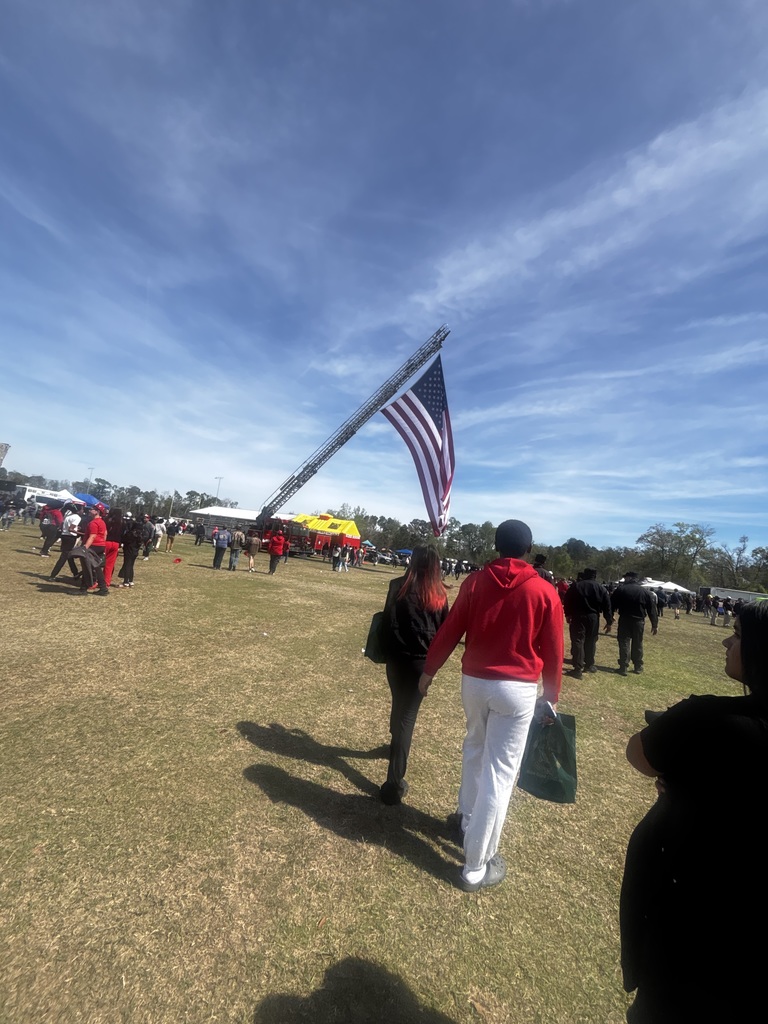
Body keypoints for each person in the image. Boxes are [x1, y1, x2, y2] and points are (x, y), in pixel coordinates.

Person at [620, 601, 768, 1023]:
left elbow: (638, 754)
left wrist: (685, 778)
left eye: (737, 634)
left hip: (692, 927)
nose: (726, 639)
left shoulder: (707, 718)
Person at [419, 519, 563, 892]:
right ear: (528, 549)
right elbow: (553, 649)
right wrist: (552, 696)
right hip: (517, 688)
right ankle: (476, 865)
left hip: (475, 682)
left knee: (474, 748)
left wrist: (429, 670)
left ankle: (466, 819)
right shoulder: (544, 590)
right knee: (499, 773)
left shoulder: (475, 581)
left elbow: (451, 628)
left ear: (496, 547)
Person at [378, 546, 449, 806]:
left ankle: (395, 748)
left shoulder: (398, 585)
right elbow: (444, 630)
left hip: (396, 659)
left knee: (400, 709)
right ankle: (393, 785)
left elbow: (387, 623)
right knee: (406, 717)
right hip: (420, 662)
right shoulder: (439, 593)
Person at [562, 568, 613, 677]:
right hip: (593, 616)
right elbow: (607, 606)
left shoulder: (576, 586)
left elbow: (567, 600)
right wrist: (609, 621)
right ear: (595, 576)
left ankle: (577, 667)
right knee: (591, 640)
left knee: (578, 640)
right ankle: (589, 664)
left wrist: (568, 614)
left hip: (578, 616)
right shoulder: (601, 588)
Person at [607, 572, 658, 676]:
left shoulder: (621, 590)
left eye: (625, 578)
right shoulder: (644, 592)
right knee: (637, 643)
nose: (624, 580)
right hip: (639, 621)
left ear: (629, 578)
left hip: (625, 619)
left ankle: (623, 667)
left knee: (624, 642)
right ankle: (638, 666)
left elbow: (611, 605)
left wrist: (610, 618)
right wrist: (654, 624)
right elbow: (652, 609)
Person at [78, 503, 109, 596]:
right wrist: (102, 543)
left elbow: (92, 536)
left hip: (93, 546)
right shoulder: (102, 522)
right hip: (100, 546)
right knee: (96, 567)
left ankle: (83, 589)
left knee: (86, 566)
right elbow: (105, 534)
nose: (90, 510)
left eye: (92, 509)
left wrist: (84, 548)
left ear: (97, 512)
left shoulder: (93, 523)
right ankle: (103, 588)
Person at [48, 503, 83, 582]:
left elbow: (63, 526)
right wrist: (83, 534)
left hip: (64, 536)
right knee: (64, 557)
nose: (83, 511)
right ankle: (53, 575)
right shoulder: (77, 517)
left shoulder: (68, 516)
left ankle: (75, 573)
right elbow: (71, 529)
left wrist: (77, 528)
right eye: (82, 509)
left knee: (69, 556)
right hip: (70, 538)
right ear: (78, 510)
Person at [103, 507, 124, 587]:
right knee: (110, 564)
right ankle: (106, 581)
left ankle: (96, 579)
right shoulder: (122, 522)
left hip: (107, 541)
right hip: (116, 544)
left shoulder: (107, 520)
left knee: (100, 562)